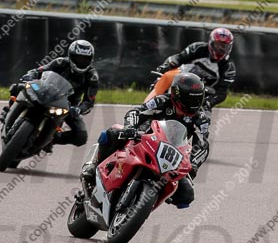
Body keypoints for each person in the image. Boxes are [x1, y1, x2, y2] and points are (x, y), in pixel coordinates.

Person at [81, 72, 210, 208]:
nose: (193, 104)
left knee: (186, 196)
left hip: (169, 156)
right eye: (189, 99)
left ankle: (145, 204)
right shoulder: (161, 101)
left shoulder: (201, 119)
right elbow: (137, 111)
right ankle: (94, 165)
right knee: (113, 132)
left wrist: (193, 164)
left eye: (197, 99)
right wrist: (130, 127)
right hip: (142, 140)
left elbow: (202, 144)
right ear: (177, 94)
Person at [0, 40, 98, 148]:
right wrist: (31, 75)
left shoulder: (92, 77)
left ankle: (51, 139)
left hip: (68, 106)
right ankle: (8, 111)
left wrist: (78, 109)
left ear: (91, 60)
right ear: (70, 56)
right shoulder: (60, 62)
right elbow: (39, 70)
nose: (81, 61)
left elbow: (89, 101)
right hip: (45, 93)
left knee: (81, 136)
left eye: (84, 59)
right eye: (78, 58)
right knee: (18, 87)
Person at [157, 27, 236, 110]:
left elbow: (222, 92)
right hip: (182, 82)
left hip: (201, 94)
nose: (220, 49)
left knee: (204, 121)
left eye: (224, 46)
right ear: (211, 42)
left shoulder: (229, 67)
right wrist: (167, 65)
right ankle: (145, 111)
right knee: (161, 82)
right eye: (218, 45)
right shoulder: (197, 48)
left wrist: (210, 101)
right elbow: (178, 58)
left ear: (229, 47)